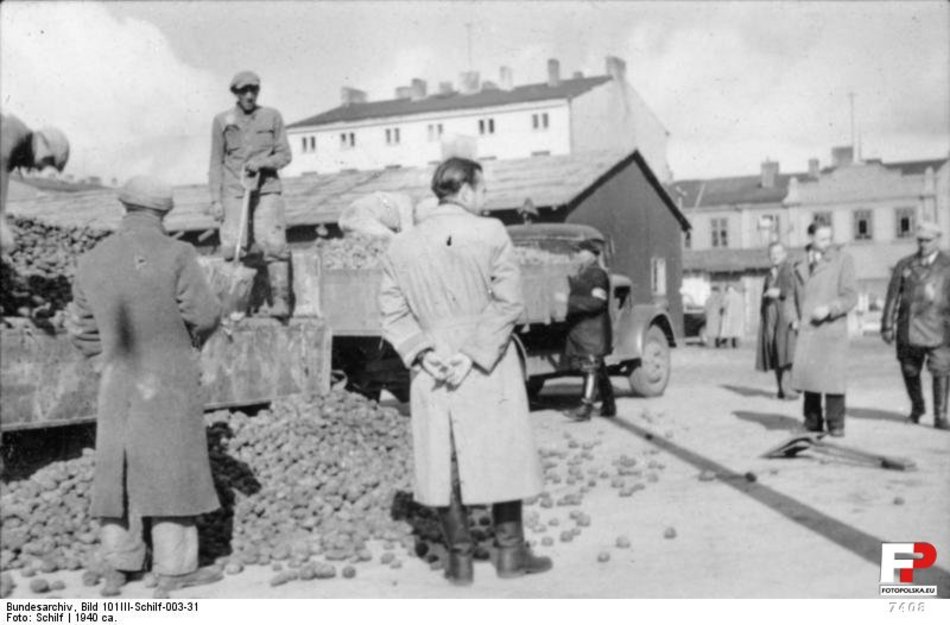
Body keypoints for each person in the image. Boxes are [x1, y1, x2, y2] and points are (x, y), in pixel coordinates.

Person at [379, 157, 551, 586]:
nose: (486, 198)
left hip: (433, 363)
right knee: (503, 449)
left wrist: (422, 354)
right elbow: (509, 302)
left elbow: (392, 313)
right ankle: (510, 554)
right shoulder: (491, 231)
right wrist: (472, 355)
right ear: (468, 190)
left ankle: (458, 561)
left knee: (443, 457)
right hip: (486, 359)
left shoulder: (400, 246)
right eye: (484, 190)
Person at [66, 176, 223, 595]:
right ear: (163, 213)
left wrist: (107, 364)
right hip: (168, 376)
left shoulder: (93, 258)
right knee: (171, 465)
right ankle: (174, 568)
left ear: (125, 207)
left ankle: (120, 562)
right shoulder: (177, 253)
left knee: (117, 465)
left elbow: (81, 330)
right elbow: (204, 314)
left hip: (117, 377)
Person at [208, 70, 293, 318]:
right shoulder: (222, 121)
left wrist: (263, 162)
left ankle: (280, 301)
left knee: (274, 244)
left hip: (267, 190)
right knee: (234, 246)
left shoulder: (272, 116)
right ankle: (237, 304)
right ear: (235, 93)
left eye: (253, 90)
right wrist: (215, 200)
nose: (249, 95)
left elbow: (285, 155)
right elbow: (215, 163)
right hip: (234, 191)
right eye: (244, 90)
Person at [789, 221, 857, 437]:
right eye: (822, 239)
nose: (828, 243)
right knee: (810, 376)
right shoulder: (797, 263)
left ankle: (836, 423)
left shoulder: (843, 260)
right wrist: (792, 319)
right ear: (810, 238)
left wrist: (830, 308)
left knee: (833, 380)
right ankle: (812, 421)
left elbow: (850, 296)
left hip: (831, 328)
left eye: (830, 238)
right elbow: (789, 297)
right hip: (807, 329)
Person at [881, 221, 950, 430]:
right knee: (909, 369)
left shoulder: (948, 265)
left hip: (940, 326)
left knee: (941, 370)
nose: (923, 245)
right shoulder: (905, 264)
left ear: (938, 240)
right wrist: (886, 325)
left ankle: (940, 415)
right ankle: (917, 407)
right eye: (919, 240)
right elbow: (893, 296)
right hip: (909, 327)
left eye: (928, 240)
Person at [1, 114, 70, 251]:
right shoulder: (15, 131)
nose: (40, 169)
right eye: (47, 162)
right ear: (43, 144)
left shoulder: (15, 150)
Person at [564, 239, 615, 421]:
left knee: (590, 368)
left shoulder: (597, 275)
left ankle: (585, 407)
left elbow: (597, 302)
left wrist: (568, 302)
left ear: (591, 254)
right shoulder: (583, 272)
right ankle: (609, 405)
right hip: (585, 330)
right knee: (598, 368)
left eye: (580, 252)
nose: (577, 256)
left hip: (592, 330)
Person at [755, 241, 798, 399]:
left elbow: (793, 289)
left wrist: (778, 292)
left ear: (785, 254)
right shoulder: (769, 273)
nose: (775, 256)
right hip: (771, 315)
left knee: (785, 351)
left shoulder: (789, 269)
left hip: (785, 314)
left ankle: (788, 390)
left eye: (778, 253)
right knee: (775, 351)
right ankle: (781, 390)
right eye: (772, 254)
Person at [339, 191, 415, 240]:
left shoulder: (398, 200)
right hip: (357, 215)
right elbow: (402, 235)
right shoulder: (405, 204)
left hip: (349, 215)